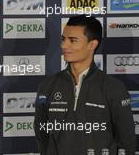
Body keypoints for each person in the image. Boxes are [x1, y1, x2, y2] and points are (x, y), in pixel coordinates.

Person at [34, 15, 136, 155]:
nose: (64, 45)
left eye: (73, 40)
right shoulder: (47, 86)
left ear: (92, 45)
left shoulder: (113, 88)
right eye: (63, 39)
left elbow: (126, 141)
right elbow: (42, 134)